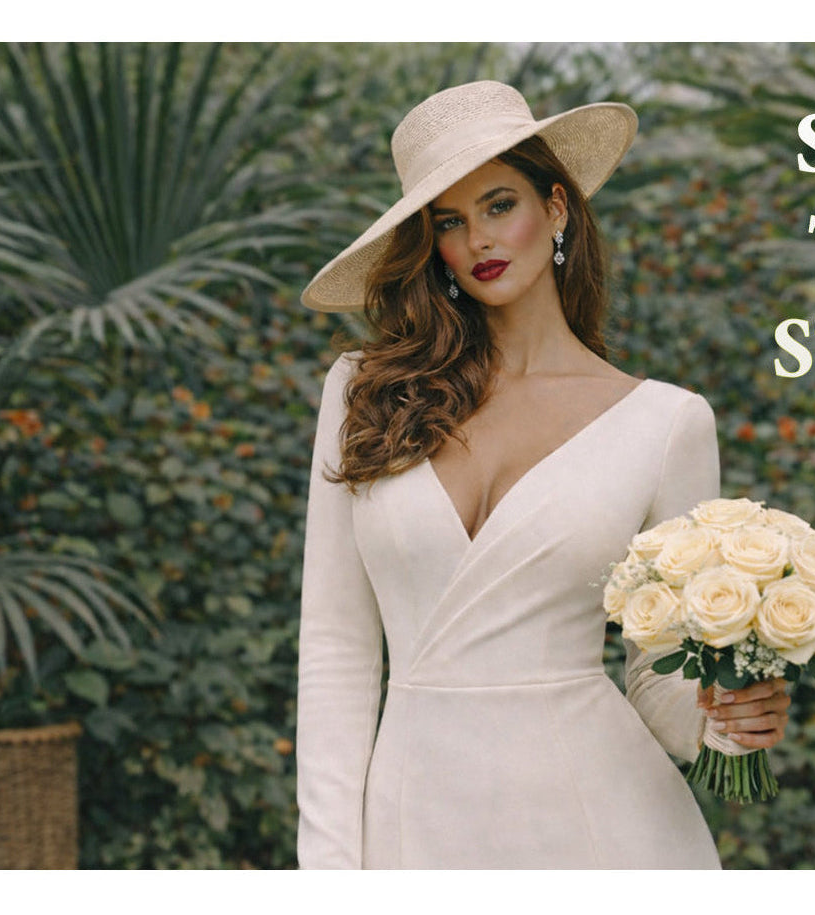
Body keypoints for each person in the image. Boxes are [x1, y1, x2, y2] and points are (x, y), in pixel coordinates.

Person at [295, 80, 790, 869]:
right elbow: (334, 653)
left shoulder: (664, 423)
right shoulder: (366, 394)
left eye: (499, 204)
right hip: (413, 818)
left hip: (602, 826)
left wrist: (727, 716)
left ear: (556, 208)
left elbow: (657, 675)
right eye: (449, 221)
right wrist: (327, 871)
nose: (478, 239)